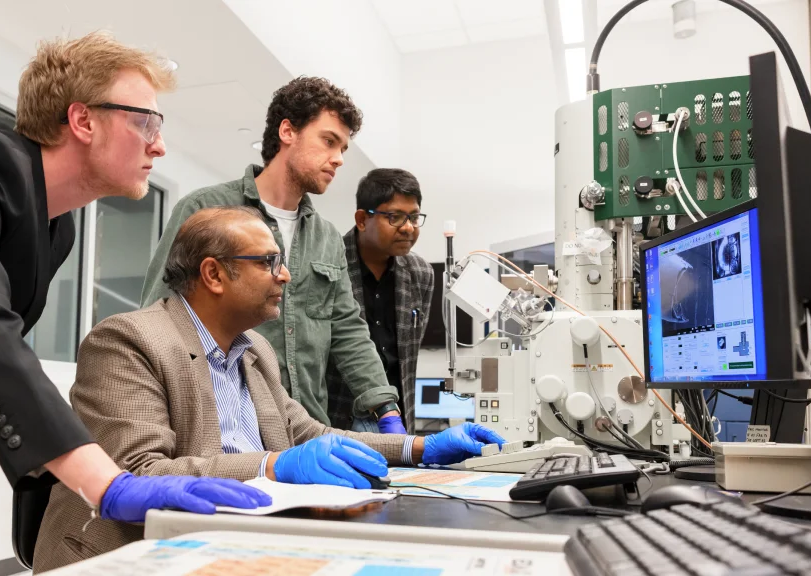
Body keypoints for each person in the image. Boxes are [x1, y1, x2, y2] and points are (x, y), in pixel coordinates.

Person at [0, 32, 267, 575]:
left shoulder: (55, 228)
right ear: (82, 120)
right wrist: (107, 484)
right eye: (146, 122)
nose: (159, 145)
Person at [35, 207, 504, 571]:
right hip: (133, 554)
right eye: (268, 262)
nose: (285, 275)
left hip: (234, 537)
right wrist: (272, 465)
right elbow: (142, 474)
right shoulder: (128, 340)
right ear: (214, 274)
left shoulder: (254, 348)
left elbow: (307, 433)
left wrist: (420, 446)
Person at [140, 77, 406, 435]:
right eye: (329, 141)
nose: (339, 159)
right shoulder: (206, 208)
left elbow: (346, 329)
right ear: (287, 131)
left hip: (306, 430)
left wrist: (385, 409)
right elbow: (159, 314)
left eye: (343, 147)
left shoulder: (327, 236)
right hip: (225, 432)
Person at [327, 169, 434, 433]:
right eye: (395, 217)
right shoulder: (328, 265)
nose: (408, 227)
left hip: (396, 418)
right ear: (362, 219)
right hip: (337, 416)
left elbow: (408, 358)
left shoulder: (421, 273)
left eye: (414, 217)